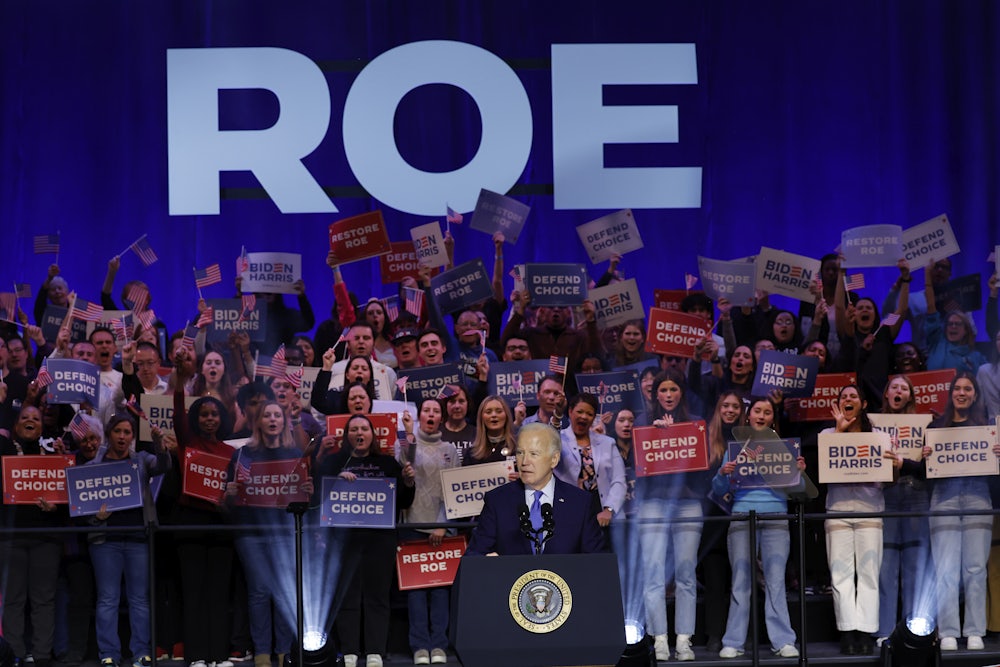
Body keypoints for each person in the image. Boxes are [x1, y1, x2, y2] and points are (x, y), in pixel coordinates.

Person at [317, 414, 415, 667]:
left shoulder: (387, 463)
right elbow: (318, 499)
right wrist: (336, 483)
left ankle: (375, 651)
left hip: (379, 539)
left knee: (377, 595)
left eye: (364, 428)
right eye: (353, 429)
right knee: (347, 595)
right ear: (346, 435)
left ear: (372, 435)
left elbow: (403, 501)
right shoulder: (334, 462)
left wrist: (408, 482)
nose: (359, 433)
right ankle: (349, 650)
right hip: (343, 540)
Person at [713, 397, 803, 659]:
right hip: (742, 515)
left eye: (767, 412)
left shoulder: (785, 449)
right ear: (748, 416)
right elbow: (719, 489)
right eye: (757, 411)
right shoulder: (737, 448)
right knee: (741, 579)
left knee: (775, 580)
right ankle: (733, 641)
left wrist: (799, 473)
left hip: (776, 515)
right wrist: (722, 474)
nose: (762, 415)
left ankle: (784, 640)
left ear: (772, 418)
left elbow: (796, 490)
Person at [224, 402, 313, 667]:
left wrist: (309, 490)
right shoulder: (242, 455)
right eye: (267, 415)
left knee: (284, 592)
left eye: (277, 415)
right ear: (258, 421)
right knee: (259, 592)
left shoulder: (295, 453)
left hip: (285, 531)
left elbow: (304, 502)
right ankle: (262, 651)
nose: (272, 419)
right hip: (250, 533)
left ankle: (284, 650)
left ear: (284, 421)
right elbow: (228, 502)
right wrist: (228, 494)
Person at [87, 413, 171, 667]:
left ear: (133, 437)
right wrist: (96, 517)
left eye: (127, 432)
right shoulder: (94, 466)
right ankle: (108, 654)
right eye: (118, 432)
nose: (122, 437)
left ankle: (141, 653)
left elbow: (164, 465)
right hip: (105, 541)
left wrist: (159, 445)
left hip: (137, 539)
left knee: (139, 600)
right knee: (107, 599)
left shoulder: (142, 461)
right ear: (109, 434)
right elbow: (83, 505)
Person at [636, 367, 706, 662]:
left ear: (682, 393)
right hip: (653, 503)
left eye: (673, 389)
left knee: (686, 574)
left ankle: (684, 640)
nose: (668, 395)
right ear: (655, 393)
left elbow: (701, 471)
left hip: (687, 504)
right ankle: (660, 638)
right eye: (663, 390)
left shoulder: (694, 424)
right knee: (653, 574)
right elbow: (637, 470)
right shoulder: (642, 422)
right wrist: (656, 435)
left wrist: (675, 438)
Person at [926, 371, 995, 651]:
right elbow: (924, 470)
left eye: (968, 389)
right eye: (957, 388)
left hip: (978, 495)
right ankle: (949, 632)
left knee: (976, 568)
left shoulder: (988, 427)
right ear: (951, 394)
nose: (962, 393)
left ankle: (975, 630)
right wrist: (926, 457)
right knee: (945, 570)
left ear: (975, 395)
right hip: (944, 498)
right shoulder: (936, 426)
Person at [465, 422, 606, 556]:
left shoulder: (580, 503)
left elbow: (596, 561)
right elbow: (474, 555)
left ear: (554, 459)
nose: (524, 462)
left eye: (534, 454)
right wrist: (486, 561)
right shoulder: (497, 500)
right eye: (520, 453)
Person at [0, 406, 66, 667]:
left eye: (36, 418)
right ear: (15, 425)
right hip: (10, 538)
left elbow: (67, 498)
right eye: (25, 418)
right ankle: (14, 655)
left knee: (43, 600)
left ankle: (41, 657)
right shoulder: (4, 452)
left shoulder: (53, 454)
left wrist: (56, 506)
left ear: (42, 427)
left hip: (45, 538)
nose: (30, 421)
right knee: (13, 600)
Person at [822, 385, 883, 655]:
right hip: (838, 509)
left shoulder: (879, 436)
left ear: (864, 403)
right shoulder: (827, 435)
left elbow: (884, 475)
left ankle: (866, 632)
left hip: (870, 507)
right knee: (841, 574)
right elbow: (825, 468)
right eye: (843, 396)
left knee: (869, 573)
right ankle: (847, 631)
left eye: (853, 396)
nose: (848, 399)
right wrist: (840, 431)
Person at [400, 399, 458, 665]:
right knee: (416, 592)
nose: (431, 414)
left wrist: (442, 524)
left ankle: (439, 646)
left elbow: (454, 491)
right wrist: (409, 434)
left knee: (440, 592)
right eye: (427, 410)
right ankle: (419, 646)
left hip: (439, 528)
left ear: (440, 416)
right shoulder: (405, 443)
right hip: (412, 526)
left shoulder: (450, 449)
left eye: (436, 411)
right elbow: (404, 463)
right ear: (419, 415)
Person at [873, 375, 930, 646]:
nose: (898, 391)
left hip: (916, 494)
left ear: (910, 395)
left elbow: (928, 469)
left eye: (904, 388)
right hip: (886, 494)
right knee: (886, 569)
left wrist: (908, 461)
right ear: (886, 394)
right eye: (894, 387)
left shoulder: (924, 426)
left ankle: (911, 632)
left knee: (913, 568)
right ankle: (885, 631)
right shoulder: (872, 427)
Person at [554, 393, 625, 529]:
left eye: (589, 414)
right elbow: (548, 446)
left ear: (594, 417)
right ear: (570, 411)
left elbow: (619, 480)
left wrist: (609, 509)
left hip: (604, 515)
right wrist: (557, 414)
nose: (584, 417)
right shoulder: (558, 439)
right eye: (579, 412)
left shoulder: (607, 443)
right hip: (569, 513)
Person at [463, 396, 518, 466]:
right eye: (488, 412)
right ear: (481, 418)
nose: (494, 415)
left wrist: (521, 476)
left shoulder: (518, 447)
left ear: (506, 415)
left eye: (499, 411)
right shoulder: (472, 453)